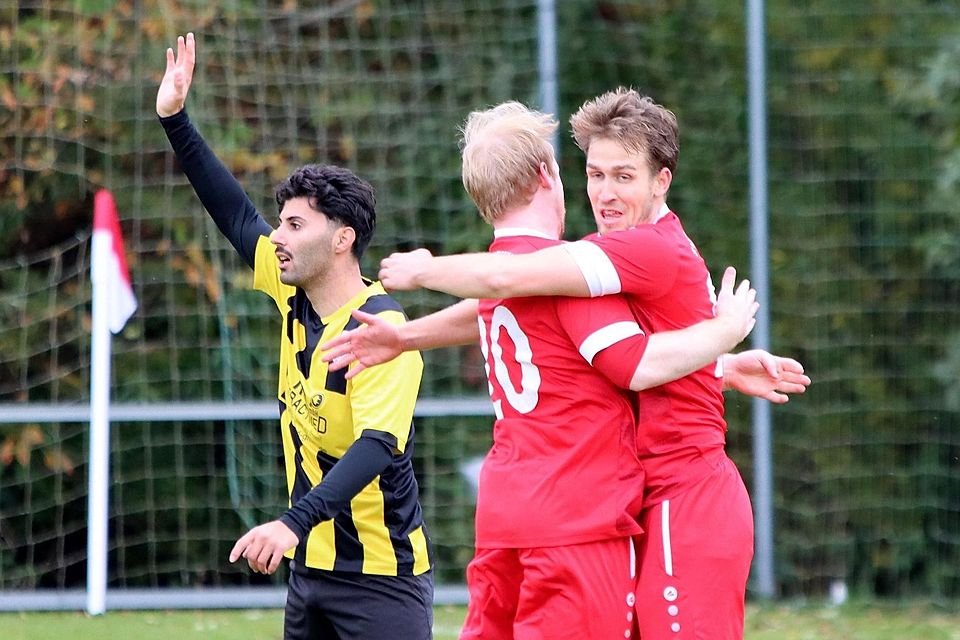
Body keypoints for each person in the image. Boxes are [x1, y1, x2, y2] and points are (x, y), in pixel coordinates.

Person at [359, 88, 811, 639]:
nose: (605, 192)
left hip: (683, 494)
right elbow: (507, 303)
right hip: (628, 501)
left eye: (624, 176)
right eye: (596, 174)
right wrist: (720, 361)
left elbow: (513, 285)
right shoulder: (596, 257)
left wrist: (723, 335)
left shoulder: (643, 250)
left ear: (661, 181)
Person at [156, 33, 433, 639]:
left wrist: (290, 523)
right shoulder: (292, 296)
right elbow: (233, 214)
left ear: (342, 240)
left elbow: (376, 448)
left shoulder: (381, 329)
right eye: (280, 222)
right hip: (309, 577)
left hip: (382, 581)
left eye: (294, 224)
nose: (276, 235)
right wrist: (175, 119)